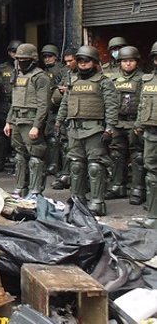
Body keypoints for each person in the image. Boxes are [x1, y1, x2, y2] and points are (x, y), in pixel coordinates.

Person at [56, 45, 118, 216]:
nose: (83, 64)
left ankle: (97, 202)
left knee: (95, 167)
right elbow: (65, 103)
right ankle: (77, 200)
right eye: (81, 61)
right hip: (74, 130)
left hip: (95, 130)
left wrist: (109, 129)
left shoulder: (103, 82)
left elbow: (112, 106)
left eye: (87, 61)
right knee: (75, 165)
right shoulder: (73, 81)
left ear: (95, 62)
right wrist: (58, 122)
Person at [4, 43, 50, 197]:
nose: (21, 62)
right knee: (19, 156)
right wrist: (8, 121)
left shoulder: (40, 77)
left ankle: (36, 190)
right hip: (17, 119)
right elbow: (14, 100)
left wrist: (37, 125)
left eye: (24, 60)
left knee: (36, 157)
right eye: (18, 59)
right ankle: (20, 187)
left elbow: (43, 104)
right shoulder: (16, 75)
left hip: (31, 120)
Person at [107, 46, 144, 202]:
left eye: (131, 61)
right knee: (116, 155)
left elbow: (145, 103)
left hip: (134, 122)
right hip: (117, 122)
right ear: (119, 62)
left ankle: (138, 189)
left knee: (137, 156)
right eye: (125, 61)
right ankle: (117, 186)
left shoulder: (143, 79)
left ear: (136, 62)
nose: (128, 64)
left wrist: (140, 123)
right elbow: (108, 101)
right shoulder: (113, 79)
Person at [132, 41, 157, 228]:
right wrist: (139, 124)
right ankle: (153, 216)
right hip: (151, 133)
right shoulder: (148, 81)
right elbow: (142, 105)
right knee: (151, 174)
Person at [0, 40, 22, 171]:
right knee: (1, 134)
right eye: (13, 52)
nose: (15, 55)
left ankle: (19, 163)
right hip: (4, 104)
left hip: (20, 104)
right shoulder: (2, 68)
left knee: (19, 135)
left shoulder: (26, 68)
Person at [51, 48, 78, 189]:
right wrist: (60, 92)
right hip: (67, 116)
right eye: (66, 61)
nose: (68, 64)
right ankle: (66, 174)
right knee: (65, 146)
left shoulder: (87, 76)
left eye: (70, 60)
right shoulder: (67, 75)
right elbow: (57, 99)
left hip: (82, 117)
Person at [40, 44, 65, 177]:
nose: (47, 59)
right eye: (45, 57)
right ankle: (53, 163)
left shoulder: (61, 70)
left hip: (58, 108)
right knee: (49, 136)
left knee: (57, 138)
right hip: (48, 107)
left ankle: (56, 165)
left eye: (50, 56)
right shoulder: (44, 71)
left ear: (55, 57)